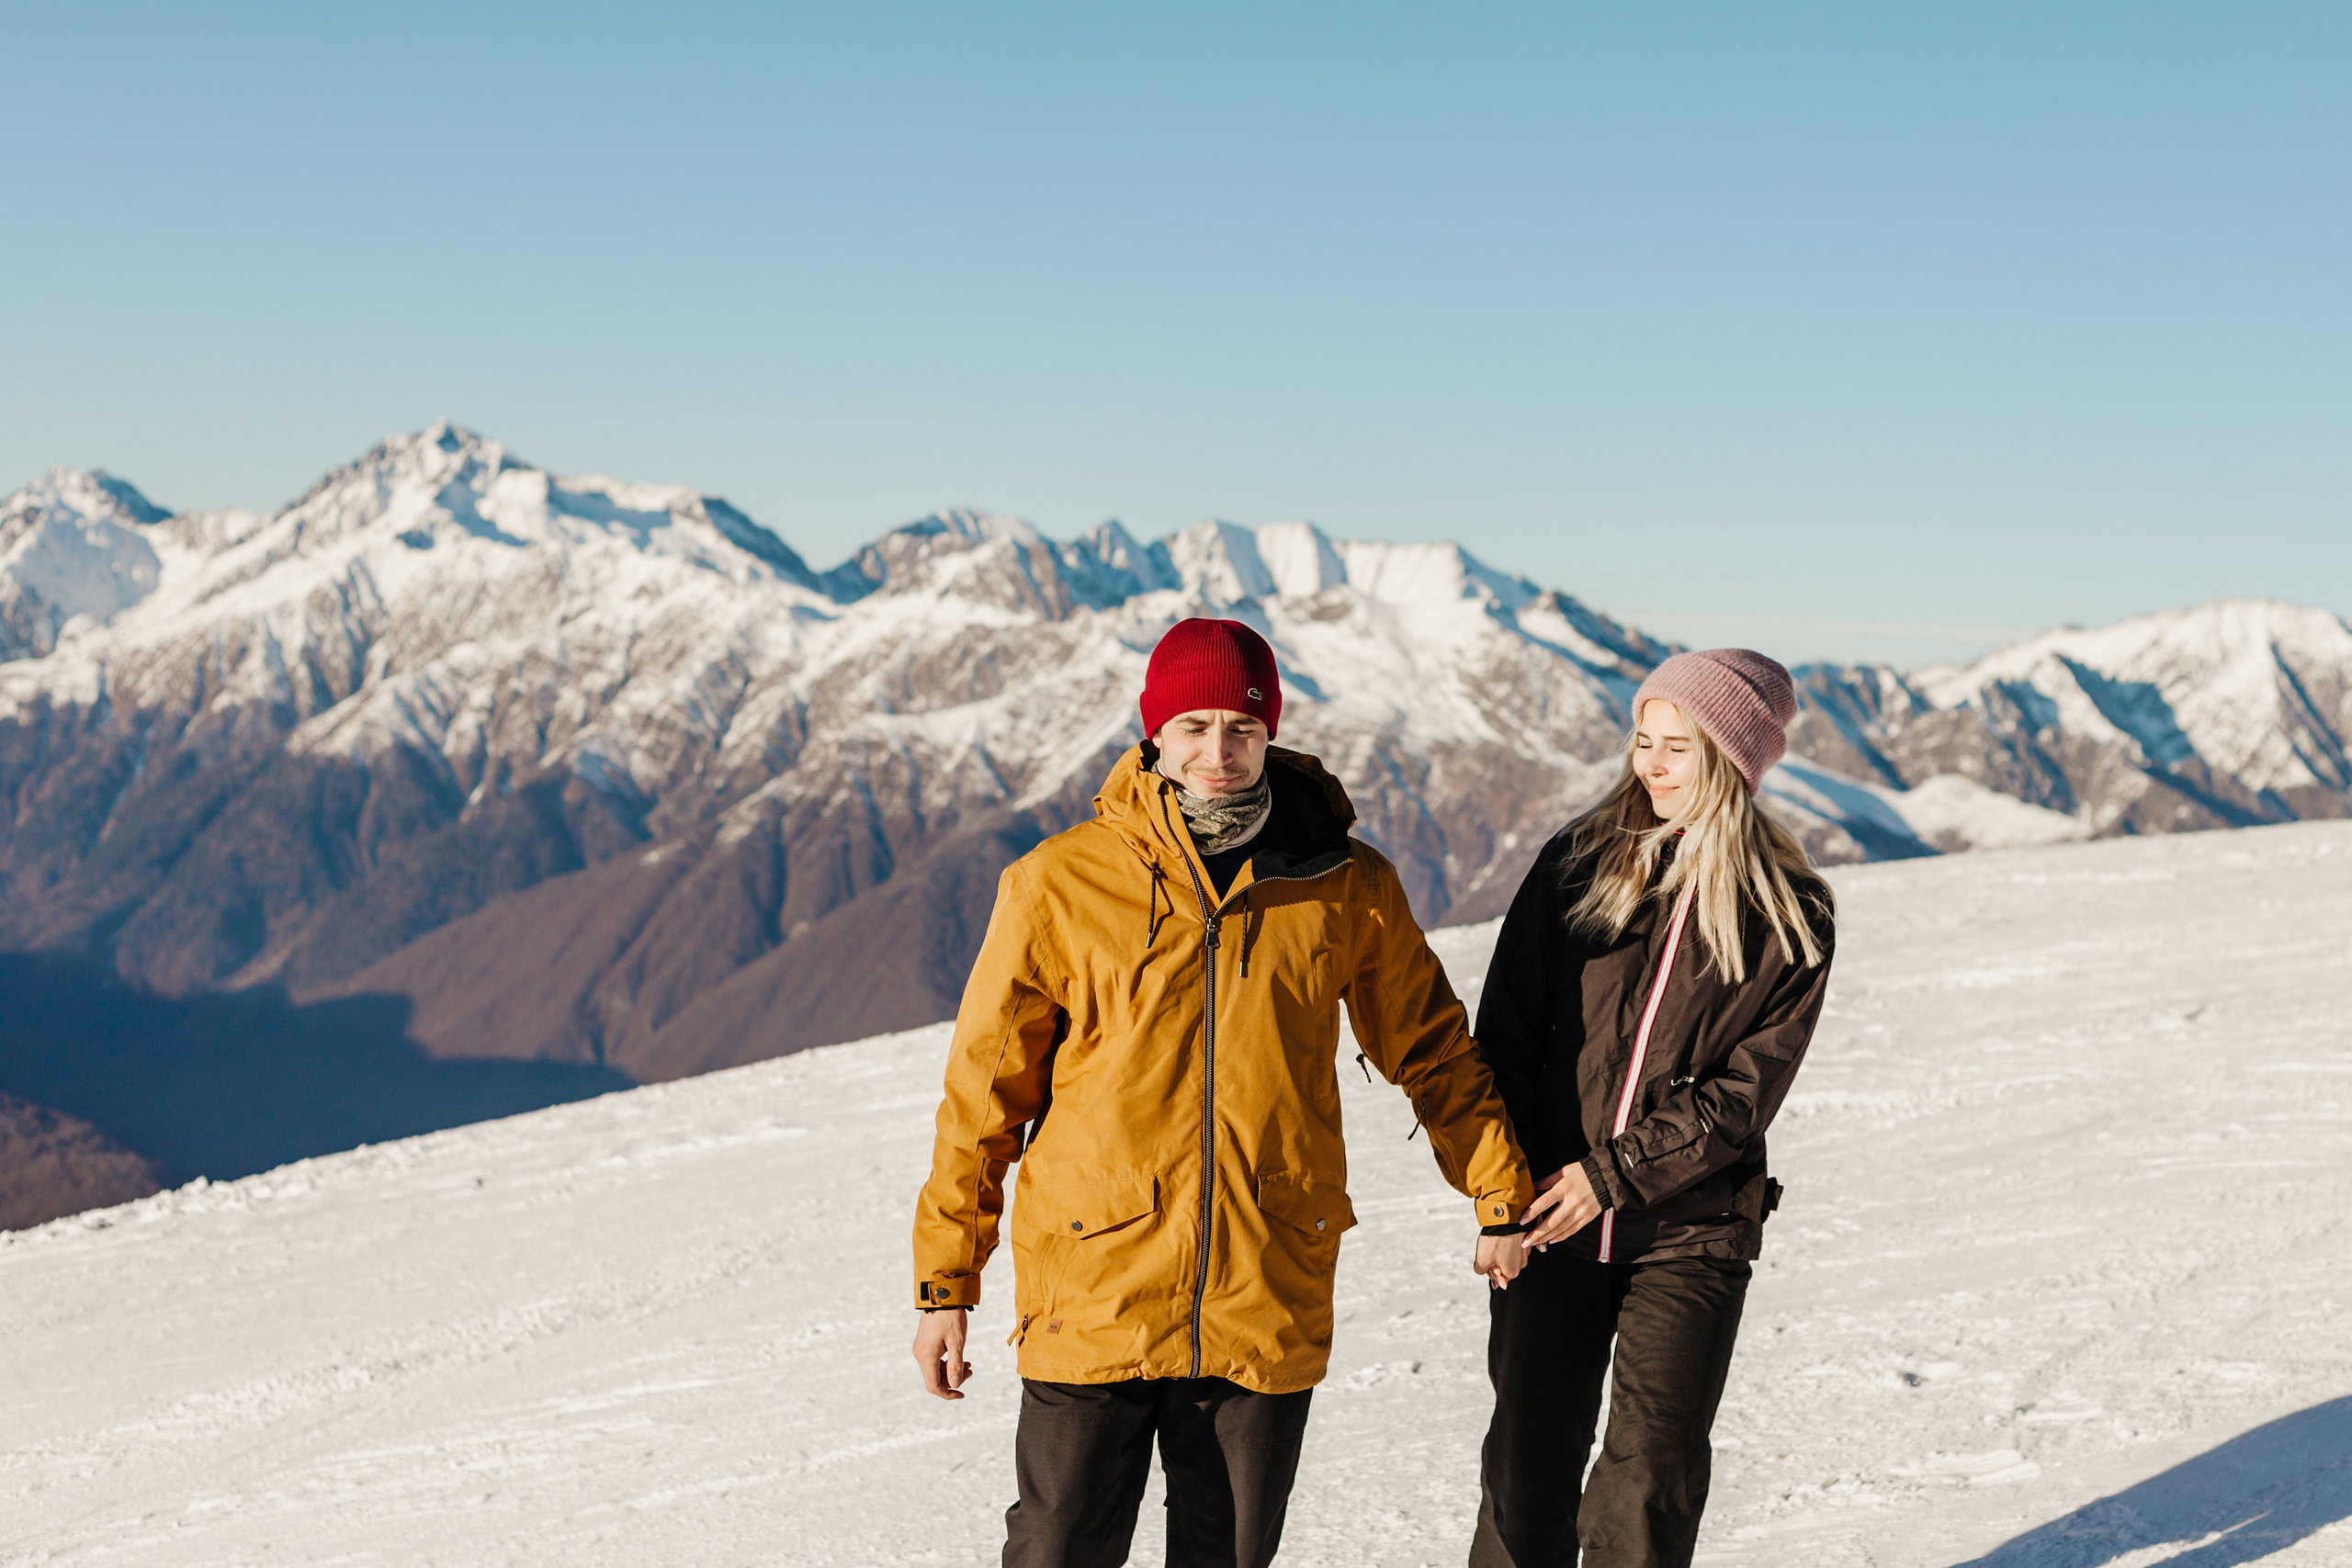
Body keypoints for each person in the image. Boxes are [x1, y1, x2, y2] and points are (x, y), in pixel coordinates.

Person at [911, 615, 1533, 1568]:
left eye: (1240, 729)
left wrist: (1498, 1191)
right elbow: (981, 1100)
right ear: (1153, 732)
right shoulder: (1058, 885)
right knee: (1056, 1550)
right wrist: (945, 1282)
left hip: (1262, 1279)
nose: (1218, 752)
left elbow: (1431, 1048)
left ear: (1269, 734)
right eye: (1194, 727)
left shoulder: (1344, 884)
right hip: (1095, 1283)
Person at [1468, 649, 1837, 1568]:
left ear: (1732, 761)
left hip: (1691, 1231)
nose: (1654, 764)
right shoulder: (1576, 865)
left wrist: (1615, 1176)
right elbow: (1505, 1040)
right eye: (1644, 740)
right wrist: (1500, 1200)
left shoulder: (1788, 910)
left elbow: (1741, 1099)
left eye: (1680, 746)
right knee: (1527, 1475)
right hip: (1549, 1212)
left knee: (1647, 1480)